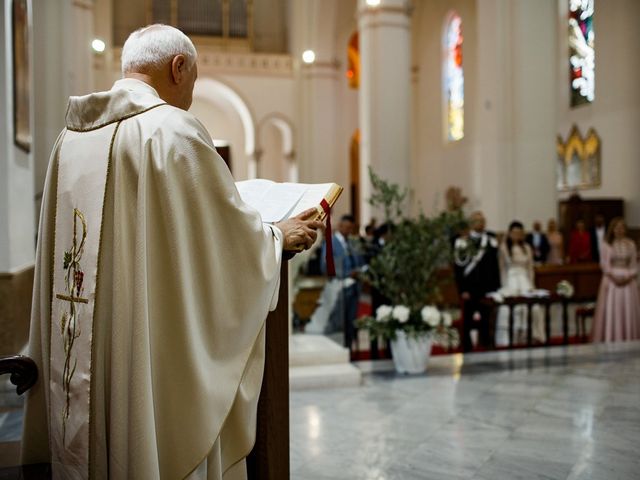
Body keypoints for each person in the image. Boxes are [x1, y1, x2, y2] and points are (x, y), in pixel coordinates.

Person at [21, 25, 323, 479]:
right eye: (195, 82)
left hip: (81, 357)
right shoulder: (172, 130)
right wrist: (276, 235)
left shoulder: (70, 140)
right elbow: (226, 245)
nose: (191, 96)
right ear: (178, 68)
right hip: (141, 353)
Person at [453, 211, 501, 352]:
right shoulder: (462, 242)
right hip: (470, 289)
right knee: (467, 321)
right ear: (471, 223)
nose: (480, 223)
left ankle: (485, 345)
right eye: (476, 220)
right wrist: (462, 290)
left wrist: (496, 287)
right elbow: (459, 269)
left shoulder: (491, 240)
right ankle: (467, 348)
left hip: (487, 288)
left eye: (482, 220)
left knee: (486, 319)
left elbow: (494, 266)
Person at [495, 221, 546, 346]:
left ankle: (532, 335)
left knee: (533, 308)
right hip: (511, 280)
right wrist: (504, 285)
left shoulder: (527, 248)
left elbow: (530, 268)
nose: (517, 235)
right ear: (510, 233)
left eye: (519, 233)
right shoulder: (504, 248)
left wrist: (532, 284)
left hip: (525, 280)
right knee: (511, 308)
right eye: (514, 233)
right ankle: (511, 337)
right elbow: (502, 268)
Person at [591, 218, 640, 342]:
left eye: (622, 227)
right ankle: (612, 337)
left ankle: (629, 337)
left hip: (628, 282)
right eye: (617, 227)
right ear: (612, 229)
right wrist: (614, 277)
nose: (620, 230)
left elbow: (634, 264)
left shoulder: (631, 244)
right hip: (612, 281)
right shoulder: (606, 245)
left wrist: (629, 277)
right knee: (614, 310)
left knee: (628, 310)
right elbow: (604, 264)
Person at [321, 214, 365, 344]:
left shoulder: (352, 243)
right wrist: (347, 273)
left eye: (351, 228)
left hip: (354, 287)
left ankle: (349, 348)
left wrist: (359, 270)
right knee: (339, 321)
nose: (348, 231)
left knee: (351, 320)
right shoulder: (331, 242)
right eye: (346, 228)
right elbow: (326, 265)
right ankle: (339, 346)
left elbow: (359, 260)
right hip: (339, 287)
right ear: (340, 226)